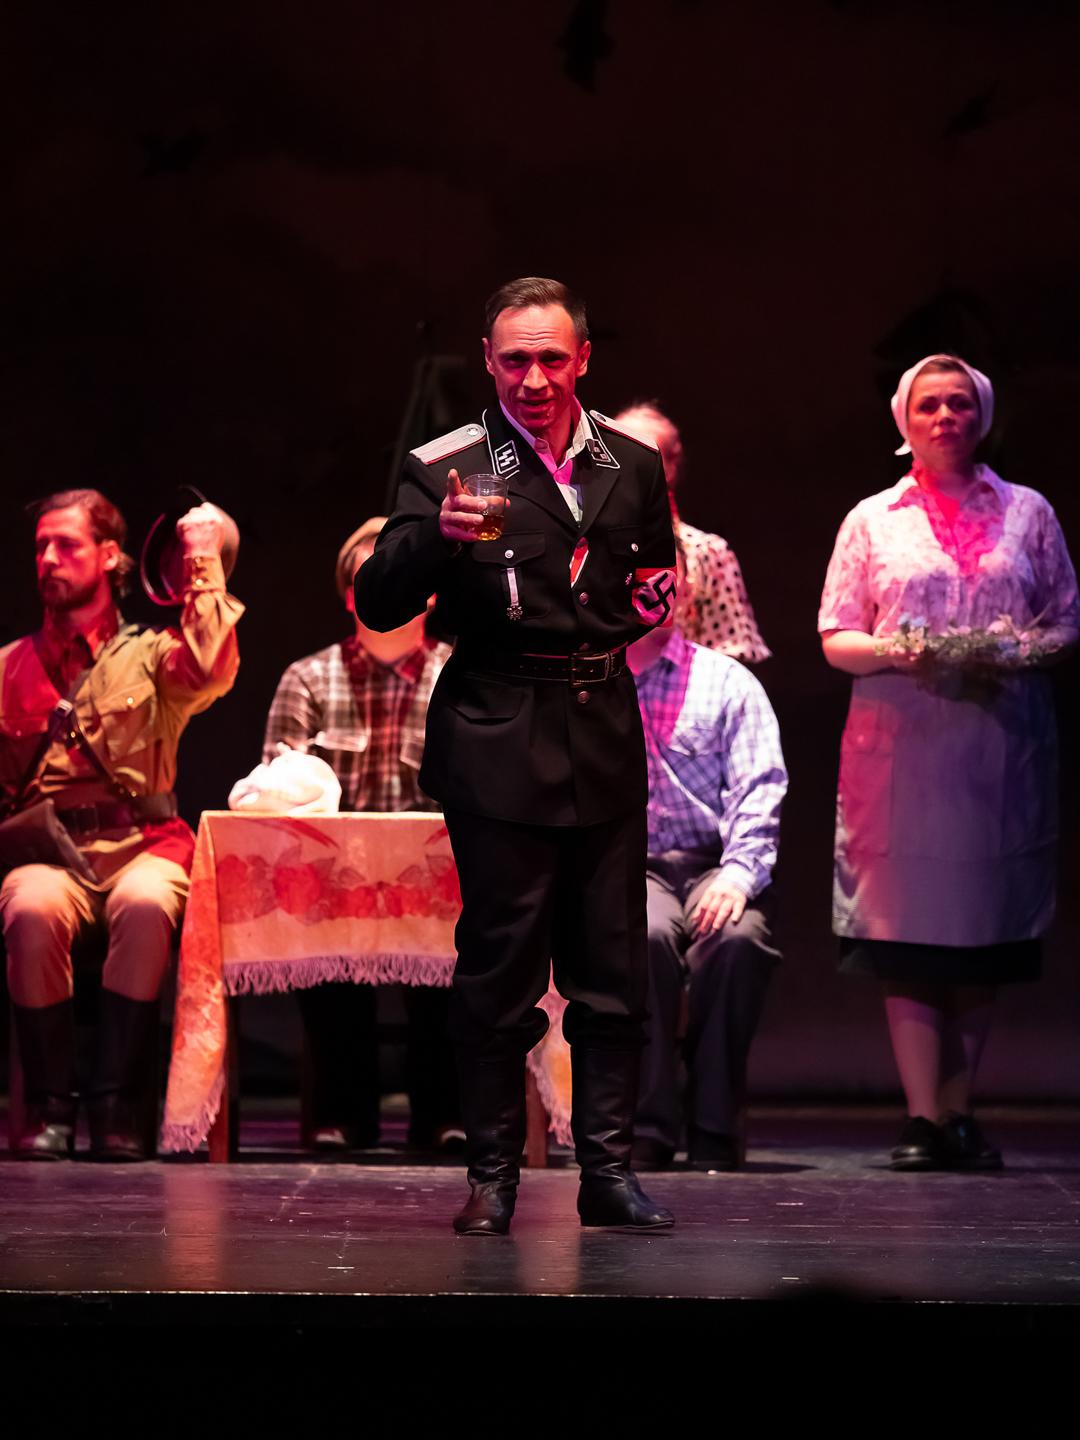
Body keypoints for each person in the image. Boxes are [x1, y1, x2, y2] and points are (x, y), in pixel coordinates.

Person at [355, 276, 677, 1234]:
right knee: (498, 968)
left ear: (583, 360)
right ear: (490, 363)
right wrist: (436, 542)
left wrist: (600, 628)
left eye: (551, 359)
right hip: (496, 732)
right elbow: (378, 600)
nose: (534, 379)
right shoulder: (448, 466)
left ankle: (608, 1173)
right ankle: (492, 1178)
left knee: (613, 968)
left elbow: (654, 580)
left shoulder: (631, 462)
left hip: (601, 728)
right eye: (515, 361)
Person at [818, 354, 1079, 1170]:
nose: (944, 417)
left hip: (996, 748)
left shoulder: (1028, 513)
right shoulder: (872, 519)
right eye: (929, 404)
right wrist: (898, 650)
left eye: (959, 403)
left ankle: (962, 1112)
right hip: (904, 751)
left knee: (983, 929)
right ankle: (922, 1116)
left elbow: (1065, 622)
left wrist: (1010, 653)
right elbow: (836, 635)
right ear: (904, 419)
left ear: (982, 415)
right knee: (909, 933)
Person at [0, 488, 242, 1159]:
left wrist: (203, 562)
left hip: (143, 844)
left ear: (109, 556)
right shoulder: (9, 667)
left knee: (143, 904)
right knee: (30, 907)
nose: (49, 559)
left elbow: (211, 669)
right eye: (40, 548)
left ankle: (118, 1108)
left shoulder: (152, 654)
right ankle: (50, 1108)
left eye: (67, 545)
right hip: (52, 854)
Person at [263, 516, 460, 1153]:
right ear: (351, 596)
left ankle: (446, 1115)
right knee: (324, 948)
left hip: (440, 890)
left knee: (461, 958)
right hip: (334, 889)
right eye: (372, 579)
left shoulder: (462, 675)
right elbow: (274, 797)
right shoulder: (307, 679)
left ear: (431, 592)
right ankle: (341, 1113)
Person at [627, 560, 786, 1172]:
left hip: (712, 863)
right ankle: (648, 1122)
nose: (655, 590)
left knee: (736, 940)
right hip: (631, 868)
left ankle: (713, 1121)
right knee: (642, 936)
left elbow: (759, 787)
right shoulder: (590, 680)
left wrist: (739, 875)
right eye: (640, 576)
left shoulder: (726, 682)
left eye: (667, 578)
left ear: (687, 591)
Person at [614, 402, 769, 662]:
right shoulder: (584, 544)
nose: (629, 468)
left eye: (643, 457)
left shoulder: (707, 552)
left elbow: (733, 654)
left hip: (682, 684)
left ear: (671, 467)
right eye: (618, 454)